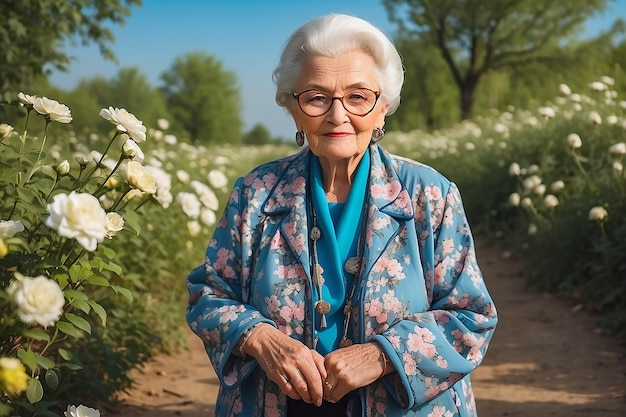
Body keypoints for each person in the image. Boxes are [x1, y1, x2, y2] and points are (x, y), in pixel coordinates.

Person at [185, 13, 497, 417]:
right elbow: (208, 294)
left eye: (357, 96)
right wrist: (260, 338)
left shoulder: (429, 194)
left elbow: (472, 316)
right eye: (316, 97)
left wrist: (384, 355)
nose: (337, 115)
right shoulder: (256, 194)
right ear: (293, 109)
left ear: (382, 108)